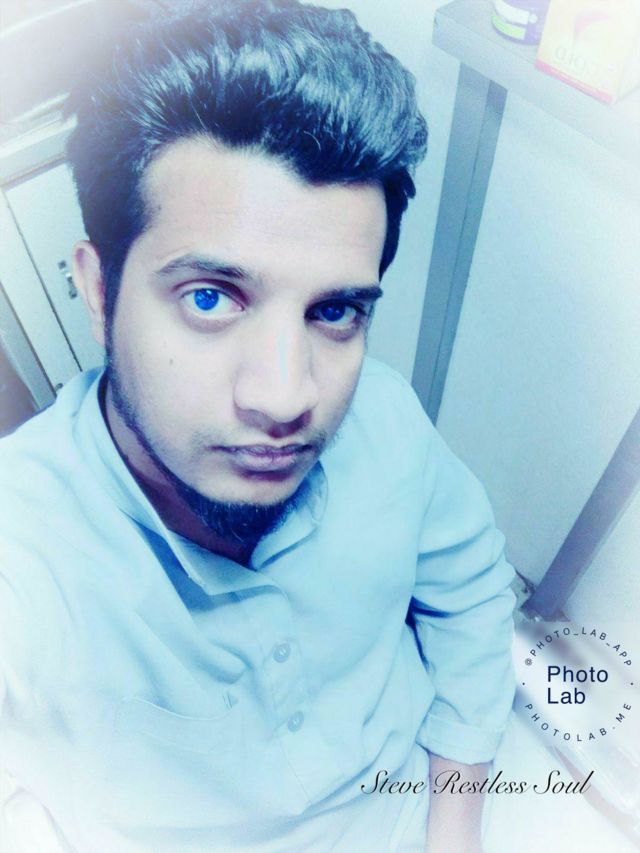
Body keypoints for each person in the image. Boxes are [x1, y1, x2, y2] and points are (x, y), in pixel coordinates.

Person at [0, 1, 515, 850]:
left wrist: (455, 830)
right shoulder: (28, 547)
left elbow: (473, 595)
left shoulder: (385, 418)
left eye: (335, 310)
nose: (284, 397)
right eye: (210, 298)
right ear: (98, 290)